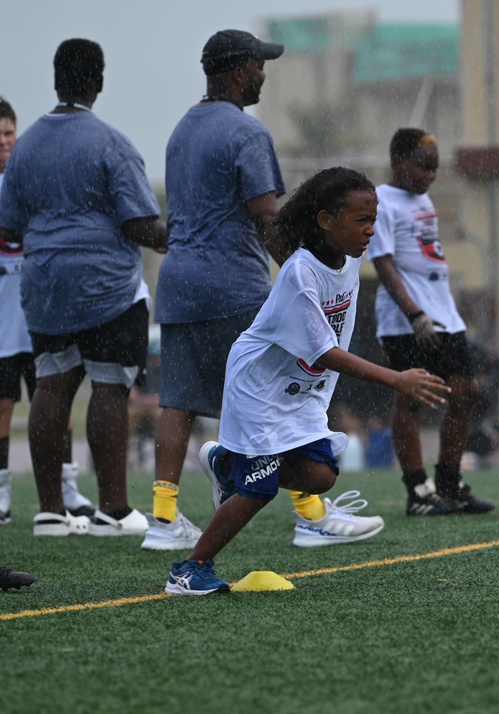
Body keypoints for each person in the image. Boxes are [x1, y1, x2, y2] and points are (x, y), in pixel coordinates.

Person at [166, 167, 450, 595]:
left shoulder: (350, 259)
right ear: (325, 221)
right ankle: (189, 570)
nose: (371, 230)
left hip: (298, 388)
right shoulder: (300, 274)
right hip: (260, 385)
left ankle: (228, 464)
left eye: (374, 220)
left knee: (319, 475)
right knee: (258, 488)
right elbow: (324, 351)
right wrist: (397, 379)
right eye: (361, 221)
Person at [0, 39, 166, 537]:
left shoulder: (25, 145)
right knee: (109, 385)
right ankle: (113, 510)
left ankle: (50, 510)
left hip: (45, 285)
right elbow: (140, 223)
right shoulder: (110, 143)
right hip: (105, 288)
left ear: (55, 81)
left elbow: (8, 228)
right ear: (98, 81)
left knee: (53, 384)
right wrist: (176, 237)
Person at [144, 30, 289, 551]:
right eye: (258, 65)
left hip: (178, 283)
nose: (263, 74)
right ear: (236, 72)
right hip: (232, 285)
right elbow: (268, 214)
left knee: (176, 402)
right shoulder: (247, 133)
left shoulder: (182, 129)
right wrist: (302, 275)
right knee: (273, 391)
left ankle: (163, 518)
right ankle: (313, 512)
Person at [369, 128, 493, 516]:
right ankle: (417, 491)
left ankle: (449, 484)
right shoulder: (381, 201)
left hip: (443, 314)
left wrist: (443, 309)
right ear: (398, 162)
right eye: (423, 167)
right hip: (408, 320)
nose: (430, 176)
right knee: (412, 397)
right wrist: (415, 313)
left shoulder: (423, 201)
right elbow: (383, 262)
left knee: (466, 392)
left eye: (435, 169)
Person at [0, 98, 94, 526]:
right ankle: (2, 491)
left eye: (7, 133)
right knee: (4, 406)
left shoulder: (30, 178)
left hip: (39, 316)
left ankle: (69, 487)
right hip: (3, 325)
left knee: (57, 397)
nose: (4, 142)